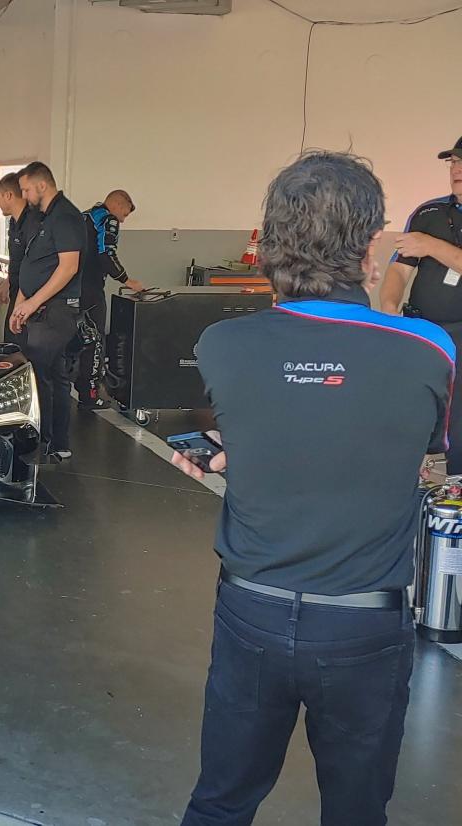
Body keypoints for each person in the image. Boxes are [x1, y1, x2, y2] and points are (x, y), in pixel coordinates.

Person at [171, 152, 453, 826]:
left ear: (268, 243)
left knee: (220, 802)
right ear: (367, 244)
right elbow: (425, 460)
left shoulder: (221, 344)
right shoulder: (431, 348)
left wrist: (227, 462)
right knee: (357, 813)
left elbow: (280, 427)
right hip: (364, 624)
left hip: (252, 615)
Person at [380, 134, 462, 475]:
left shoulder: (427, 235)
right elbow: (398, 270)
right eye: (453, 162)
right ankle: (410, 482)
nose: (456, 168)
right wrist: (388, 310)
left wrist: (430, 245)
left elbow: (425, 248)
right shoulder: (428, 212)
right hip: (424, 330)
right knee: (413, 409)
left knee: (457, 420)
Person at [12, 162, 84, 462]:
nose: (25, 195)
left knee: (40, 373)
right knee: (50, 376)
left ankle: (44, 441)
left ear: (42, 186)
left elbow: (68, 268)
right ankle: (54, 442)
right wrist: (20, 303)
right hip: (39, 308)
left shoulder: (65, 216)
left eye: (27, 189)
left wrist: (31, 303)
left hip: (55, 311)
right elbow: (34, 265)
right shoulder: (44, 218)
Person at [77, 191, 145, 410]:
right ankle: (90, 396)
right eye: (124, 213)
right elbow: (106, 253)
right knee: (95, 342)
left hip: (70, 288)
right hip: (91, 290)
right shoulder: (108, 220)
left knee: (75, 340)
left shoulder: (84, 215)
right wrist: (126, 280)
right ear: (117, 204)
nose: (123, 219)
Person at [0, 172, 39, 344]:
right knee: (10, 343)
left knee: (20, 346)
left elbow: (34, 266)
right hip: (15, 289)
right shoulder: (13, 221)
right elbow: (16, 258)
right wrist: (7, 281)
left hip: (29, 296)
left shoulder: (33, 223)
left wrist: (23, 301)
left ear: (9, 195)